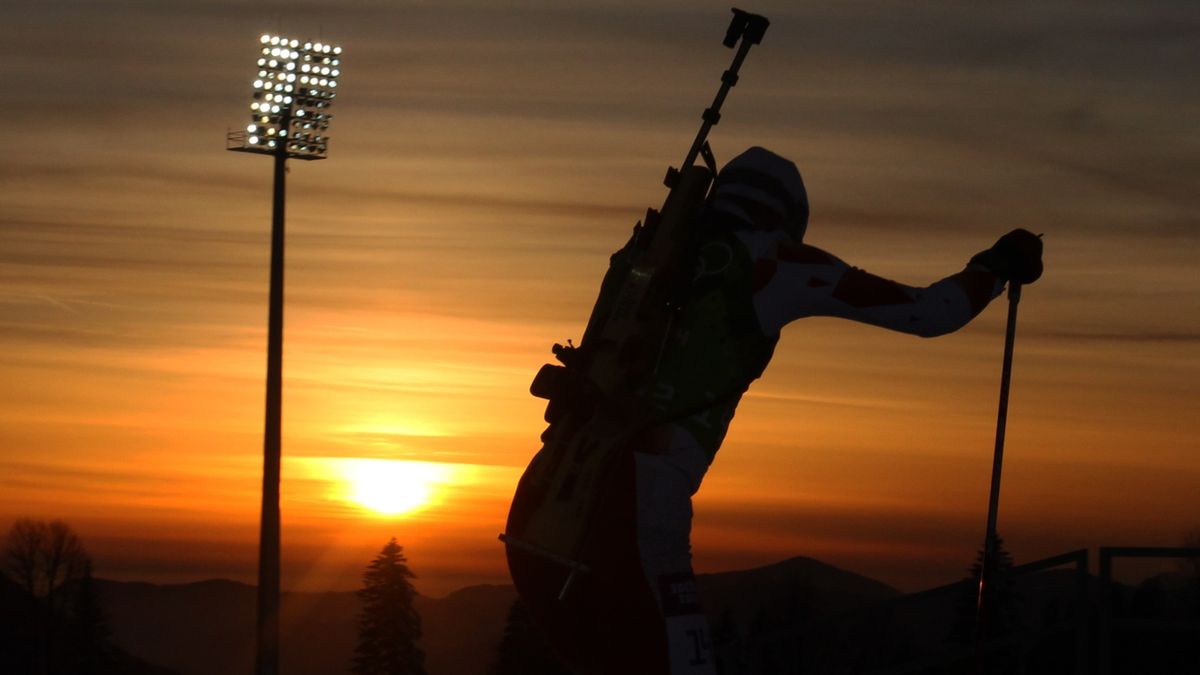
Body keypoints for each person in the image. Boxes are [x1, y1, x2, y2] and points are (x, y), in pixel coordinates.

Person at [504, 147, 1044, 675]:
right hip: (637, 510)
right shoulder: (773, 261)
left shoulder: (653, 260)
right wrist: (994, 267)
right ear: (787, 217)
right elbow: (930, 313)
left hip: (542, 502)